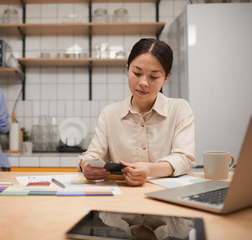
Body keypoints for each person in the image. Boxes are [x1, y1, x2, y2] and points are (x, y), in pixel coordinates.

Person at [79, 38, 195, 186]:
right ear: (127, 70)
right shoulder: (110, 114)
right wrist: (85, 167)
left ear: (166, 78)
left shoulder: (179, 109)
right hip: (121, 200)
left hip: (165, 198)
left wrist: (150, 169)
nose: (143, 83)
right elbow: (92, 154)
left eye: (153, 76)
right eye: (137, 73)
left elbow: (184, 159)